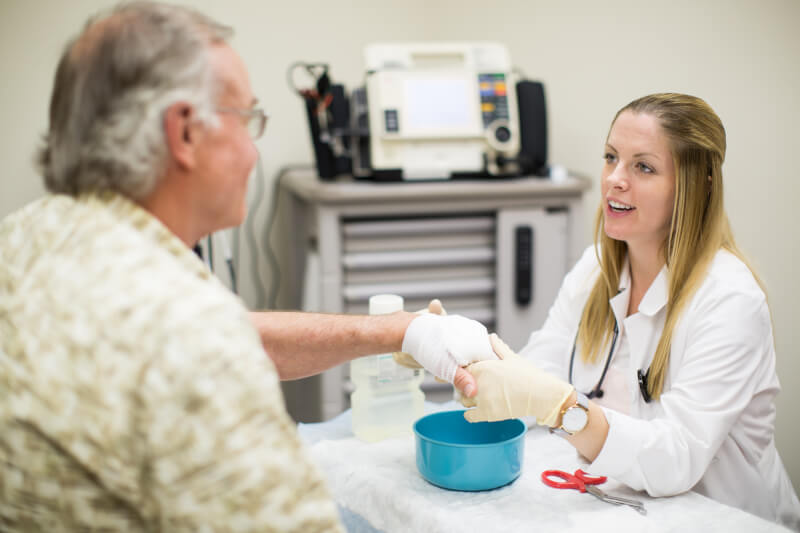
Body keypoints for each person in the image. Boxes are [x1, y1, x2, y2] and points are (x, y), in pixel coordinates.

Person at [0, 2, 494, 531]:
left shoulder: (25, 236)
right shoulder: (188, 338)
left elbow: (230, 338)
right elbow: (202, 348)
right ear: (185, 133)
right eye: (247, 120)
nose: (254, 153)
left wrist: (403, 330)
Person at [457, 93, 800, 529]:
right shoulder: (595, 269)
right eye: (610, 157)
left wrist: (563, 409)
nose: (614, 180)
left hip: (722, 518)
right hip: (625, 508)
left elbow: (676, 457)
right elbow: (537, 370)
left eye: (644, 167)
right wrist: (461, 357)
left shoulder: (729, 301)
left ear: (696, 185)